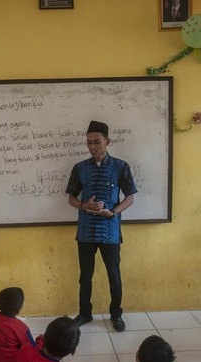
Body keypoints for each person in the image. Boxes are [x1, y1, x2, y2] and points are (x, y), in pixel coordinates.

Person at [65, 120, 138, 332]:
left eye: (97, 142)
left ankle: (116, 314)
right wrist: (83, 205)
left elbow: (130, 197)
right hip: (86, 230)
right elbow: (71, 198)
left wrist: (113, 212)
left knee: (114, 275)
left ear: (108, 141)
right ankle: (85, 314)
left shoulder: (121, 166)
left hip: (110, 231)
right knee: (85, 276)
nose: (92, 147)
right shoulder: (80, 168)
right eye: (88, 142)